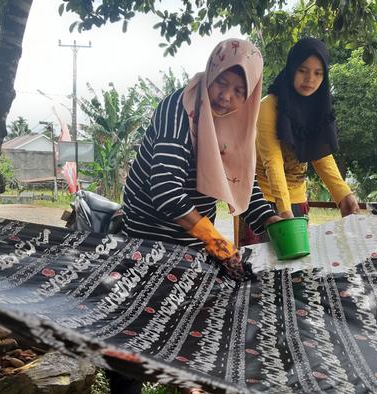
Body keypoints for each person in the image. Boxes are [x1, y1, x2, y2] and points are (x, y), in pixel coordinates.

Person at [110, 38, 282, 392]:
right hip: (148, 234)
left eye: (239, 90)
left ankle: (187, 383)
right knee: (134, 329)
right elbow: (166, 191)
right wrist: (215, 240)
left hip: (191, 237)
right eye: (222, 82)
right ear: (211, 71)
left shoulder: (236, 120)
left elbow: (239, 179)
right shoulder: (180, 108)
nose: (226, 97)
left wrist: (267, 220)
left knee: (188, 322)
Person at [241, 38, 359, 245]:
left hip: (298, 201)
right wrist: (284, 211)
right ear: (292, 69)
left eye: (317, 73)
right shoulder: (268, 106)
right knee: (260, 271)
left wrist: (343, 194)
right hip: (263, 203)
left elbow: (320, 156)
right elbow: (273, 162)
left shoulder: (318, 108)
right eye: (303, 70)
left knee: (296, 271)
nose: (309, 79)